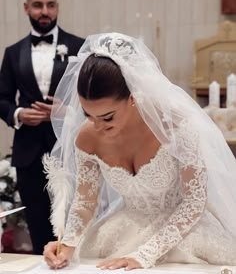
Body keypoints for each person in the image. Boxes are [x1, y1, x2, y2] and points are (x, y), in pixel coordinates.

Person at [43, 32, 236, 270]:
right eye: (89, 115)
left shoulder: (175, 127)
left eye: (107, 117)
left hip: (185, 234)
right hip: (123, 230)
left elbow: (194, 201)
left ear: (132, 97)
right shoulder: (87, 137)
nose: (98, 127)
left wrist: (146, 253)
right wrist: (67, 244)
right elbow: (85, 201)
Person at [0, 0, 85, 254]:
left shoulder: (79, 47)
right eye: (38, 5)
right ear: (26, 8)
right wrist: (19, 113)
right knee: (38, 226)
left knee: (73, 224)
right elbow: (1, 99)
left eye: (50, 5)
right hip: (28, 154)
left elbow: (93, 99)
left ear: (57, 6)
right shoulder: (12, 54)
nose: (44, 11)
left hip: (70, 150)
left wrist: (66, 113)